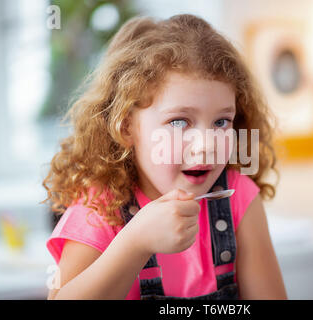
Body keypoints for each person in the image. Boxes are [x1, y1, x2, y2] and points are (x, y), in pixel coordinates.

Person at [42, 13, 287, 300]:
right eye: (179, 122)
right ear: (125, 128)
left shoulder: (237, 196)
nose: (205, 145)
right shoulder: (99, 209)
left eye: (221, 122)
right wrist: (135, 243)